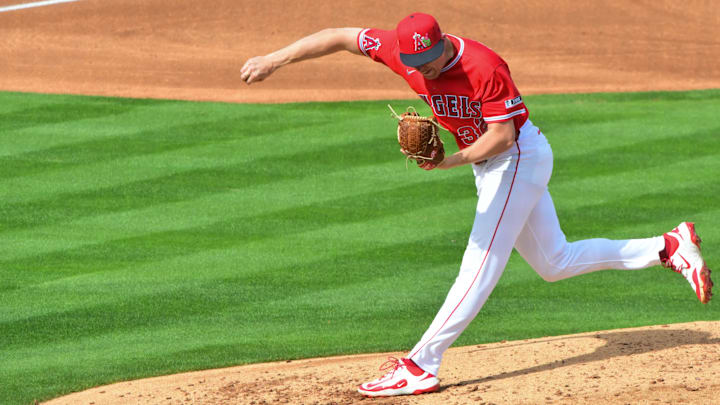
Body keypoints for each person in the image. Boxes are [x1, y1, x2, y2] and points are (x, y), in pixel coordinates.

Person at [240, 12, 713, 397]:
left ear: (441, 44)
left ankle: (420, 365)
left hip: (516, 159)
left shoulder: (483, 67)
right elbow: (340, 36)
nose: (420, 71)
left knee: (480, 261)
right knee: (555, 261)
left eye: (426, 62)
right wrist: (274, 59)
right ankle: (668, 247)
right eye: (412, 63)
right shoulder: (401, 52)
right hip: (491, 165)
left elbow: (503, 136)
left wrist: (448, 163)